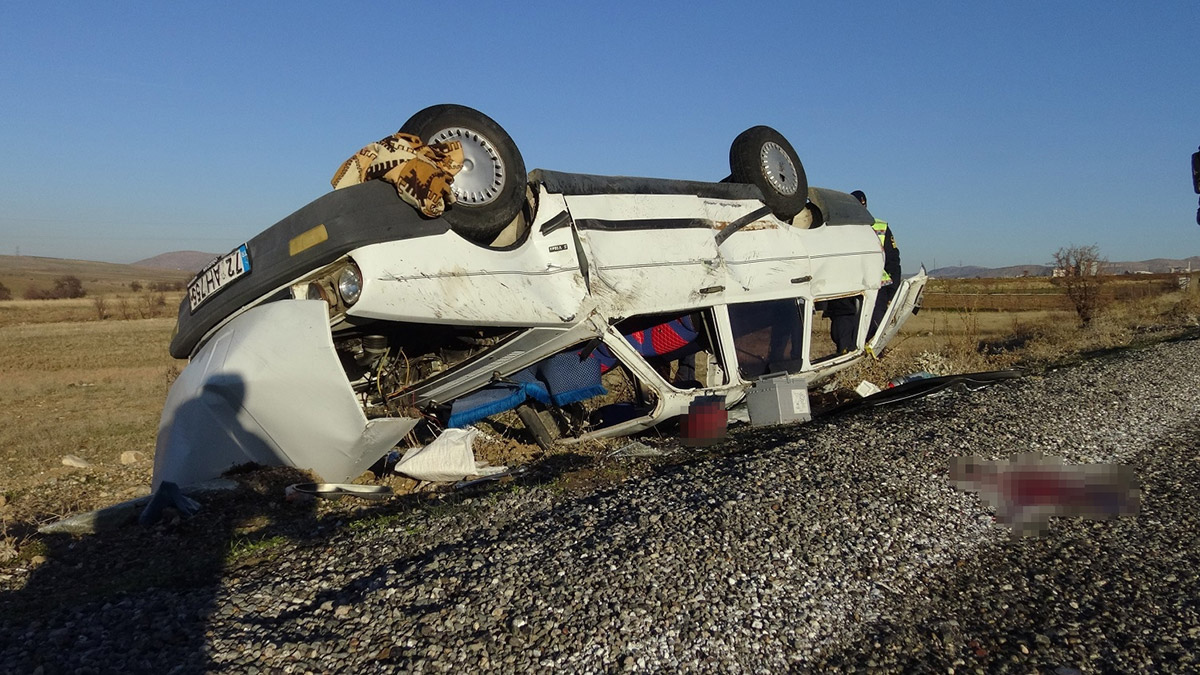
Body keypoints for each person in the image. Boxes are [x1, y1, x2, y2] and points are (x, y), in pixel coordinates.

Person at [851, 190, 901, 339]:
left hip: (878, 286)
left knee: (875, 327)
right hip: (852, 287)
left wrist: (893, 290)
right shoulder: (842, 226)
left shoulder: (881, 226)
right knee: (851, 329)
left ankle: (873, 353)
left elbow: (893, 261)